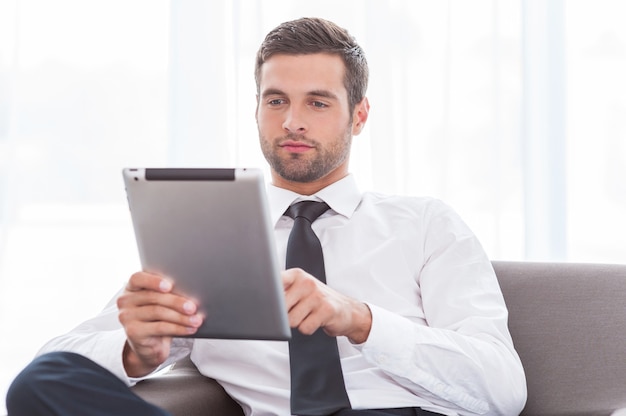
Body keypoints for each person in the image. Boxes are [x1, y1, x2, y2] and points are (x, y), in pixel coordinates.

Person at [6, 17, 526, 416]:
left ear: (359, 115)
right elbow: (56, 362)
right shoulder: (207, 238)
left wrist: (361, 320)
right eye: (275, 101)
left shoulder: (425, 224)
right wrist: (136, 352)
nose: (292, 121)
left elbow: (505, 389)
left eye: (317, 103)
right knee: (41, 381)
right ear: (256, 110)